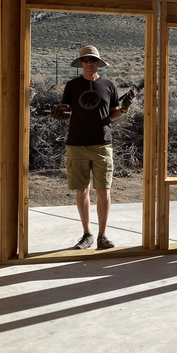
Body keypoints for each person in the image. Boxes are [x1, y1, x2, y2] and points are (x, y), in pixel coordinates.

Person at [50, 46, 132, 250]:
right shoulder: (72, 86)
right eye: (85, 60)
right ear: (81, 63)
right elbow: (68, 113)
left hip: (102, 144)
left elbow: (111, 114)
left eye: (92, 60)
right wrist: (60, 116)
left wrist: (122, 110)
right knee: (81, 191)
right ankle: (87, 234)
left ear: (97, 63)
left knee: (103, 190)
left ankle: (103, 236)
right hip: (76, 143)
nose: (89, 63)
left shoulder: (108, 85)